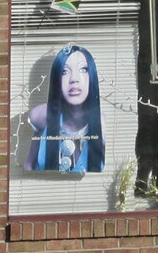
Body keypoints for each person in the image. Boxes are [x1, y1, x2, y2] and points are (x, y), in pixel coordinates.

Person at [26, 45, 105, 173]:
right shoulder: (40, 117)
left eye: (83, 69)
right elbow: (28, 165)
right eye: (65, 71)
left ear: (92, 77)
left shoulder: (100, 122)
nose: (74, 79)